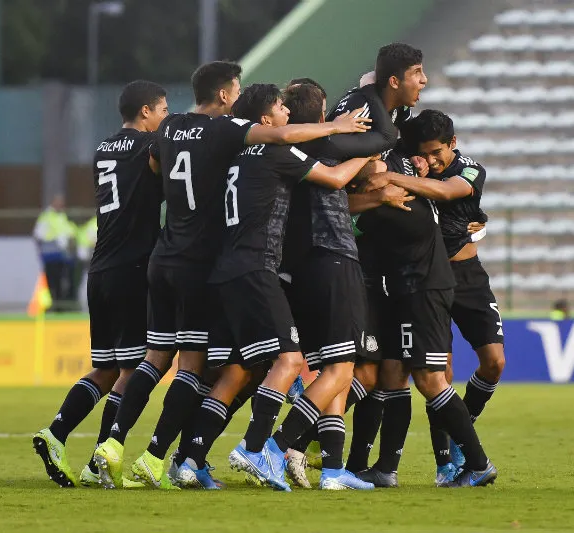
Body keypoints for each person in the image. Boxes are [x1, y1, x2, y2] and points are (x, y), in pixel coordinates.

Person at [92, 61, 371, 490]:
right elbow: (286, 140)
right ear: (225, 96)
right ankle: (229, 451)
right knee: (211, 366)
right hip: (212, 263)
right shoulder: (229, 133)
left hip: (163, 257)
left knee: (175, 361)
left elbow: (152, 166)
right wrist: (343, 129)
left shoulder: (171, 127)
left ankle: (127, 448)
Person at [172, 83, 376, 491]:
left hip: (224, 270)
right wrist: (367, 149)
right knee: (289, 361)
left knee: (238, 370)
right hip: (257, 268)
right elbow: (334, 178)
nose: (285, 113)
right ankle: (257, 448)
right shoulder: (275, 150)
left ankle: (188, 458)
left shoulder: (234, 153)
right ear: (265, 120)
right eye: (279, 108)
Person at [282, 44, 427, 488]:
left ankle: (331, 468)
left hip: (328, 261)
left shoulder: (320, 136)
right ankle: (274, 446)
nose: (424, 82)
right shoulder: (329, 139)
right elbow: (350, 177)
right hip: (334, 260)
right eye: (418, 73)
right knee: (344, 370)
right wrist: (377, 170)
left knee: (353, 371)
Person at [33, 80, 169, 488]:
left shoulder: (102, 150)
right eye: (162, 110)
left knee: (107, 368)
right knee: (134, 369)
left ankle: (57, 435)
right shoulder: (149, 150)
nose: (165, 118)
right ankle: (99, 459)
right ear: (145, 112)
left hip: (101, 268)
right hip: (131, 268)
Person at [350, 117, 498, 488]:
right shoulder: (412, 167)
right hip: (421, 279)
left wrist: (392, 180)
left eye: (436, 153)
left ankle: (469, 445)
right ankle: (442, 461)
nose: (429, 160)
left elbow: (449, 192)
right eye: (424, 154)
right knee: (423, 373)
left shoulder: (468, 169)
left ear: (453, 143)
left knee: (490, 363)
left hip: (459, 278)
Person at [33, 195, 75, 311]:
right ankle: (54, 307)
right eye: (59, 203)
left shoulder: (62, 216)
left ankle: (60, 308)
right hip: (51, 256)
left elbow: (69, 233)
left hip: (63, 256)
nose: (62, 205)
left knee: (63, 283)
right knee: (53, 283)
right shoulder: (46, 217)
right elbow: (38, 236)